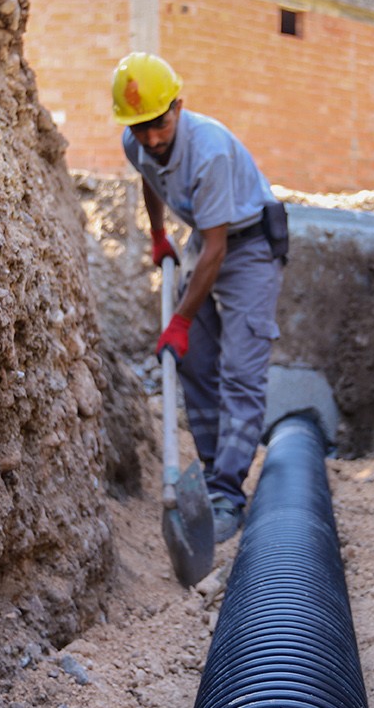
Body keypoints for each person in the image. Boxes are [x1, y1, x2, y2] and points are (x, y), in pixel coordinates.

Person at [111, 52, 284, 542]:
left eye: (159, 124)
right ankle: (212, 473)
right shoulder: (137, 141)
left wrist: (181, 320)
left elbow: (216, 249)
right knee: (193, 360)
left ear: (178, 108)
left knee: (241, 369)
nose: (151, 138)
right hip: (205, 238)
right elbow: (151, 176)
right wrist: (158, 233)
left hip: (248, 244)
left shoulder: (210, 152)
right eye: (140, 127)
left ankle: (229, 493)